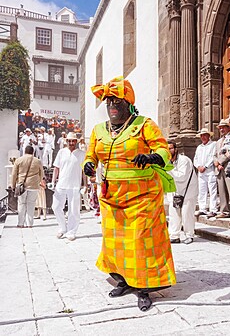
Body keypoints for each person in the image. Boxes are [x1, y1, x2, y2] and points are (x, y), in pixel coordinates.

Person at [83, 76, 176, 311]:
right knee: (116, 243)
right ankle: (123, 280)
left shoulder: (144, 124)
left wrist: (153, 157)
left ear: (128, 104)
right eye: (109, 103)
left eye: (117, 102)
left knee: (140, 241)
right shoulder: (98, 130)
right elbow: (91, 154)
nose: (112, 107)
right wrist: (89, 163)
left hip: (142, 196)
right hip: (112, 197)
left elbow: (163, 148)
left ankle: (144, 288)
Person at [51, 132, 86, 241]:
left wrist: (85, 185)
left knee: (73, 210)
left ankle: (71, 231)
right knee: (56, 207)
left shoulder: (81, 154)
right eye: (69, 141)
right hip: (61, 184)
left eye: (73, 141)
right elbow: (56, 168)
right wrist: (53, 181)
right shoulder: (61, 152)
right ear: (66, 141)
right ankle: (62, 228)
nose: (71, 143)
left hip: (75, 186)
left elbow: (85, 171)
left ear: (76, 142)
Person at [167, 141, 198, 244]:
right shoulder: (167, 162)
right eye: (167, 149)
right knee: (173, 214)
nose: (169, 151)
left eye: (171, 148)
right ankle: (174, 235)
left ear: (176, 149)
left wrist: (167, 171)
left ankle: (189, 235)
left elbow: (181, 176)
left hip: (188, 191)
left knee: (186, 214)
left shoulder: (184, 160)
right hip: (175, 192)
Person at [11, 145, 43, 228]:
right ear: (33, 152)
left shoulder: (19, 160)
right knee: (31, 204)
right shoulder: (37, 161)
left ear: (25, 151)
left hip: (21, 185)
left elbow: (14, 174)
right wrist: (38, 181)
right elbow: (41, 173)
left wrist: (13, 185)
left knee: (21, 204)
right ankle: (29, 224)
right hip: (33, 185)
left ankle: (20, 223)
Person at [214, 119, 230, 219]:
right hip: (219, 169)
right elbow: (215, 155)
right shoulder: (218, 141)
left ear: (228, 127)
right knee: (222, 191)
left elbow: (229, 152)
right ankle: (224, 211)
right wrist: (216, 163)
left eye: (223, 127)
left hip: (229, 167)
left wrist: (220, 162)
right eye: (220, 128)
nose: (221, 129)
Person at [193, 128, 218, 218]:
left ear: (209, 136)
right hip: (201, 172)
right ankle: (202, 208)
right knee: (202, 190)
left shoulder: (213, 145)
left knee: (212, 190)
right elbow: (195, 159)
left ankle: (213, 209)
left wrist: (206, 166)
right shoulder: (199, 147)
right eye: (201, 135)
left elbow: (213, 157)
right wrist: (198, 166)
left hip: (210, 170)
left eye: (205, 135)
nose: (203, 137)